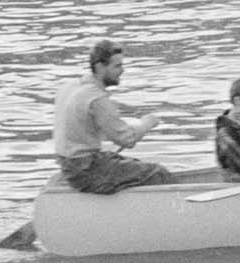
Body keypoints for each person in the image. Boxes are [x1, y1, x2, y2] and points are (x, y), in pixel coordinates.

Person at [50, 39, 175, 193]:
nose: (122, 70)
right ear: (100, 67)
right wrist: (147, 124)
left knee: (131, 165)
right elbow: (127, 139)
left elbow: (84, 127)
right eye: (117, 66)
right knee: (159, 174)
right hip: (86, 171)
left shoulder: (69, 87)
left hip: (68, 167)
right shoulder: (96, 98)